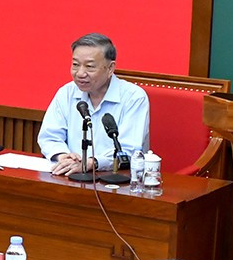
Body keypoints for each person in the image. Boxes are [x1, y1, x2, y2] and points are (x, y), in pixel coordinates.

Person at [36, 31, 150, 175]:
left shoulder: (134, 97)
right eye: (75, 65)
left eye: (89, 66)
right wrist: (63, 156)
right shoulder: (67, 92)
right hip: (70, 175)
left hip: (117, 180)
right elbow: (49, 136)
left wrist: (92, 162)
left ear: (110, 68)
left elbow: (129, 149)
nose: (80, 73)